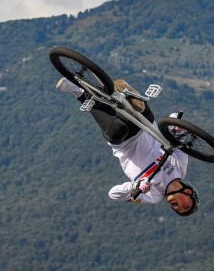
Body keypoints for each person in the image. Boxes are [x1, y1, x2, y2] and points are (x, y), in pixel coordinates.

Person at [56, 77, 199, 216]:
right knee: (142, 112)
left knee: (118, 130)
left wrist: (134, 187)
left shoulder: (153, 196)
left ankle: (81, 92)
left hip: (125, 143)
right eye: (185, 206)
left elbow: (113, 194)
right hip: (145, 127)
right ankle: (119, 94)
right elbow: (178, 143)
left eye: (178, 211)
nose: (178, 208)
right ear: (188, 192)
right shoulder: (180, 168)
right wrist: (175, 123)